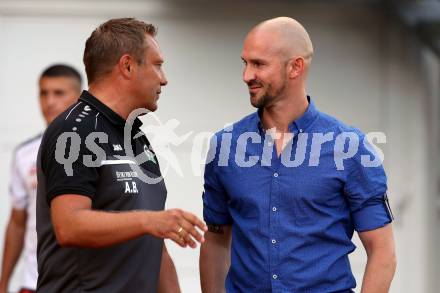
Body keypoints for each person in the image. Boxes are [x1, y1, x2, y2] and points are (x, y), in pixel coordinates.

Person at [200, 17, 396, 293]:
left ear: (295, 67)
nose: (246, 75)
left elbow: (382, 251)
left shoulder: (350, 147)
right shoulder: (225, 147)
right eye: (245, 63)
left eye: (259, 64)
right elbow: (216, 241)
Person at [36, 18, 207, 293]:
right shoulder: (74, 130)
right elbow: (69, 225)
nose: (164, 78)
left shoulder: (136, 136)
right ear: (127, 66)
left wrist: (154, 223)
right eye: (158, 65)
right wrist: (151, 220)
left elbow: (154, 245)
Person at [0, 64, 82, 293]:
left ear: (78, 96)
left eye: (59, 93)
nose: (49, 101)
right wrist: (3, 282)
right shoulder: (24, 153)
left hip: (81, 280)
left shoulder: (96, 149)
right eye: (43, 93)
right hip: (34, 280)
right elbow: (17, 222)